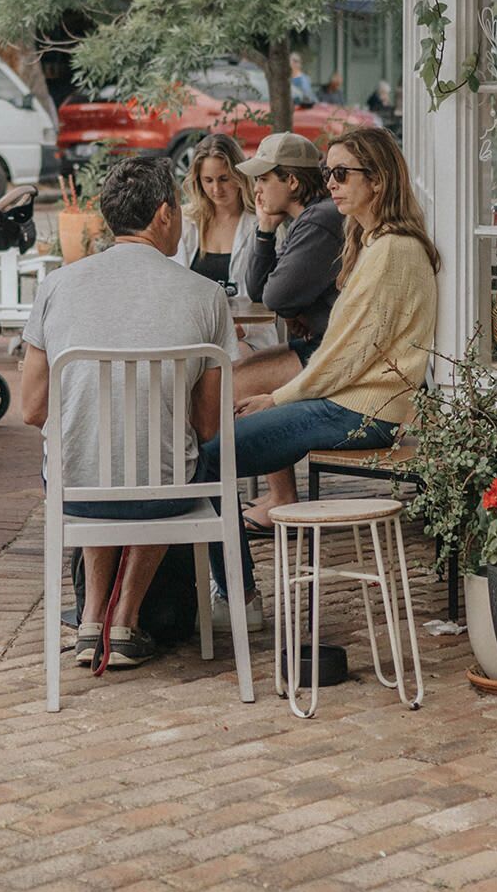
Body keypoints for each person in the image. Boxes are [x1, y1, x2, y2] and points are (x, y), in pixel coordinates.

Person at [19, 154, 242, 669]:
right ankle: (125, 620)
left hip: (75, 493)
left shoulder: (57, 286)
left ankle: (91, 617)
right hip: (163, 500)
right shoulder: (207, 296)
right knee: (168, 460)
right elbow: (207, 426)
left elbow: (32, 409)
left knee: (97, 446)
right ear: (164, 214)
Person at [194, 126, 438, 597]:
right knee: (211, 450)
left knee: (209, 460)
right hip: (352, 403)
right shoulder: (375, 242)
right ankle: (230, 593)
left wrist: (278, 397)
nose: (330, 184)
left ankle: (236, 598)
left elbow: (348, 353)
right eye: (328, 173)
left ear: (379, 181)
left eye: (342, 174)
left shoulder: (391, 250)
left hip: (362, 411)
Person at [235, 131, 344, 354]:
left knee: (234, 377)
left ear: (292, 181)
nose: (256, 189)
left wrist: (290, 308)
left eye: (263, 179)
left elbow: (276, 296)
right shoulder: (309, 218)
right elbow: (258, 291)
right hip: (328, 344)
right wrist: (265, 229)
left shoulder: (319, 221)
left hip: (340, 352)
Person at [173, 134, 248, 287]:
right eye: (208, 180)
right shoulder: (184, 221)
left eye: (224, 179)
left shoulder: (261, 224)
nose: (216, 189)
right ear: (198, 180)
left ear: (239, 175)